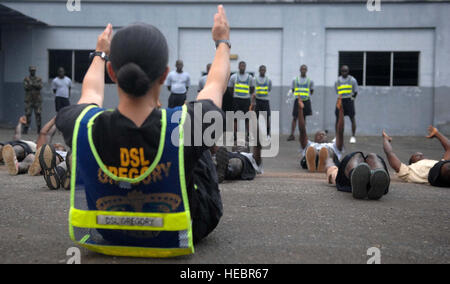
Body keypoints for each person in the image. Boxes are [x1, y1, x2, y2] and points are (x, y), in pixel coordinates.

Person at [55, 5, 230, 255]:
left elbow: (91, 93)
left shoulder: (82, 124)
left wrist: (99, 54)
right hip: (179, 231)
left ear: (113, 73)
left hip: (109, 234)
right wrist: (222, 41)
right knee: (195, 140)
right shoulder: (185, 124)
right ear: (164, 76)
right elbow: (214, 86)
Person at [0, 116, 68, 190]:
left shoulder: (63, 153)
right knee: (31, 157)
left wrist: (55, 120)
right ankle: (19, 167)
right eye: (56, 145)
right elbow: (17, 136)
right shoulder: (43, 147)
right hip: (32, 152)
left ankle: (21, 166)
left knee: (48, 158)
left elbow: (46, 133)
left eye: (59, 146)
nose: (57, 145)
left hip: (48, 156)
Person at [382, 127, 450, 187]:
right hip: (435, 176)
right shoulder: (408, 170)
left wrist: (437, 133)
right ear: (412, 163)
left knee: (445, 165)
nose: (421, 155)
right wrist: (386, 140)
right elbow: (389, 153)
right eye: (417, 156)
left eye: (422, 155)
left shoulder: (439, 162)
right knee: (446, 167)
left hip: (443, 172)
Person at [297, 97, 344, 173]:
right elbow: (302, 130)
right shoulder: (310, 144)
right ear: (314, 138)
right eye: (319, 135)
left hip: (329, 158)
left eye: (323, 135)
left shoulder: (333, 145)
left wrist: (341, 111)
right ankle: (314, 162)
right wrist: (300, 110)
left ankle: (323, 162)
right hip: (313, 156)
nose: (321, 135)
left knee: (327, 152)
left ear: (327, 138)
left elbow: (340, 131)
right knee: (311, 149)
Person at [325, 151, 390, 200]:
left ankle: (354, 174)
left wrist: (329, 157)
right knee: (373, 157)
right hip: (374, 174)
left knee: (356, 156)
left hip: (348, 180)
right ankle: (378, 172)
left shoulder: (334, 168)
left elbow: (330, 170)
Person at [228, 61, 254, 144]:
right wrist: (235, 96)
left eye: (244, 65)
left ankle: (248, 135)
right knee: (235, 118)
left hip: (246, 100)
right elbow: (230, 88)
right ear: (238, 67)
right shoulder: (233, 77)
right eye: (241, 65)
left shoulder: (250, 77)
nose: (242, 67)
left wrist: (246, 95)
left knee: (247, 119)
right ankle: (235, 135)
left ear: (245, 67)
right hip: (237, 100)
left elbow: (252, 89)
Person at [288, 65, 314, 141]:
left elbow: (311, 91)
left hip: (306, 100)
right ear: (300, 70)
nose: (303, 70)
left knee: (304, 118)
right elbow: (293, 90)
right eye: (302, 69)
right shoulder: (295, 80)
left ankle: (302, 134)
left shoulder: (310, 80)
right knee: (295, 117)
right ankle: (292, 135)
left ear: (307, 70)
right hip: (297, 100)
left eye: (305, 69)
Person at [335, 65, 359, 144]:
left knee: (352, 118)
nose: (344, 72)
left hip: (349, 101)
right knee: (338, 119)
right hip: (341, 101)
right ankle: (337, 136)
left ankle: (353, 136)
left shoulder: (352, 80)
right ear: (340, 71)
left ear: (348, 71)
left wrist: (352, 99)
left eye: (345, 71)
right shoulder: (338, 81)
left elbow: (355, 91)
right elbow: (337, 91)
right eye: (342, 71)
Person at [251, 65, 272, 137]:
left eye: (264, 70)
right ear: (259, 70)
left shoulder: (268, 80)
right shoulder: (255, 79)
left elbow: (269, 89)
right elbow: (253, 90)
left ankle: (267, 134)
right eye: (261, 70)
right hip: (257, 101)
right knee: (255, 118)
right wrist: (253, 101)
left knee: (266, 118)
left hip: (265, 101)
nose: (262, 71)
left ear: (265, 71)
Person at [23, 66, 43, 134]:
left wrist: (31, 85)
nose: (33, 71)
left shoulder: (39, 79)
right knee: (28, 114)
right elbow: (26, 87)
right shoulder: (26, 79)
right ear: (29, 71)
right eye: (31, 70)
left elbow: (40, 86)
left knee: (38, 114)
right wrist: (35, 85)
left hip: (37, 100)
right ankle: (26, 128)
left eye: (34, 70)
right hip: (29, 100)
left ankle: (39, 129)